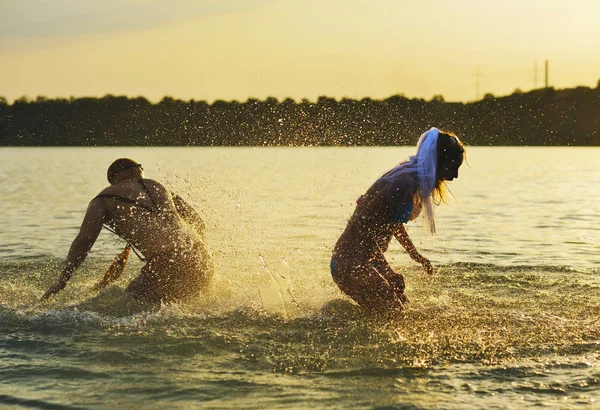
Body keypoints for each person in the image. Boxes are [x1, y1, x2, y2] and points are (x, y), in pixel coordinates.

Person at [42, 158, 213, 304]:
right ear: (134, 172)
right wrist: (195, 254)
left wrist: (63, 279)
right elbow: (198, 222)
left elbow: (84, 241)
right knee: (183, 309)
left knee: (126, 304)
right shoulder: (158, 187)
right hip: (202, 258)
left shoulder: (103, 198)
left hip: (166, 263)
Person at [330, 128, 465, 312]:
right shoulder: (403, 183)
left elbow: (391, 221)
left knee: (403, 307)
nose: (454, 176)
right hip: (350, 263)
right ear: (437, 162)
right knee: (395, 313)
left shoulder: (410, 178)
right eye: (452, 167)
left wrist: (415, 255)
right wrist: (386, 270)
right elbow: (364, 223)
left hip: (361, 260)